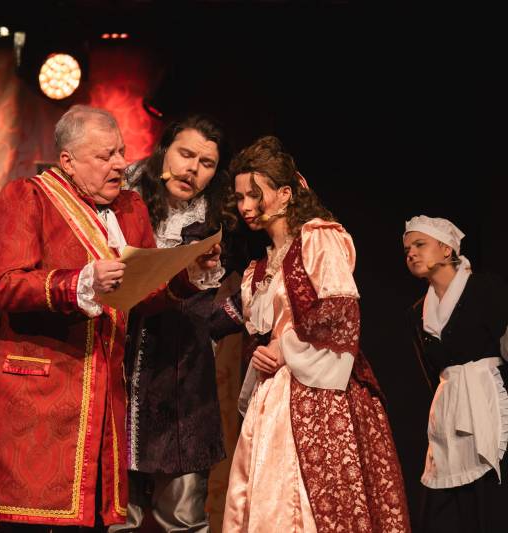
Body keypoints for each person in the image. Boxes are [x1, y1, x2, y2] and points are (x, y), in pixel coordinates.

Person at [0, 105, 219, 531]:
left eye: (121, 152)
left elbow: (145, 294)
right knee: (32, 523)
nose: (120, 164)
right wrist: (79, 281)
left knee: (95, 521)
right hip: (40, 396)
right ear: (67, 161)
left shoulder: (130, 208)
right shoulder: (27, 197)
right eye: (105, 156)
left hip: (103, 397)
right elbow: (8, 285)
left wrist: (187, 275)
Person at [211, 136, 410, 532]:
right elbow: (229, 322)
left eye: (255, 195)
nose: (246, 206)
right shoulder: (259, 269)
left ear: (285, 194)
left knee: (310, 501)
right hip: (273, 397)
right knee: (268, 501)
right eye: (240, 197)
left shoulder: (318, 238)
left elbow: (340, 312)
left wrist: (283, 348)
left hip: (320, 387)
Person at [111, 114, 235, 532]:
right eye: (185, 154)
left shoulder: (218, 219)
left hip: (183, 383)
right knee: (116, 516)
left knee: (182, 519)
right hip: (121, 372)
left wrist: (220, 321)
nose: (192, 169)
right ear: (164, 151)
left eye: (206, 163)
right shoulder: (123, 203)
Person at [403, 215, 508, 533]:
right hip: (448, 412)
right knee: (442, 512)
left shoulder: (484, 288)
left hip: (490, 401)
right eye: (407, 249)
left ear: (447, 249)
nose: (411, 253)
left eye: (420, 244)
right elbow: (430, 373)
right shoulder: (417, 313)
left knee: (489, 503)